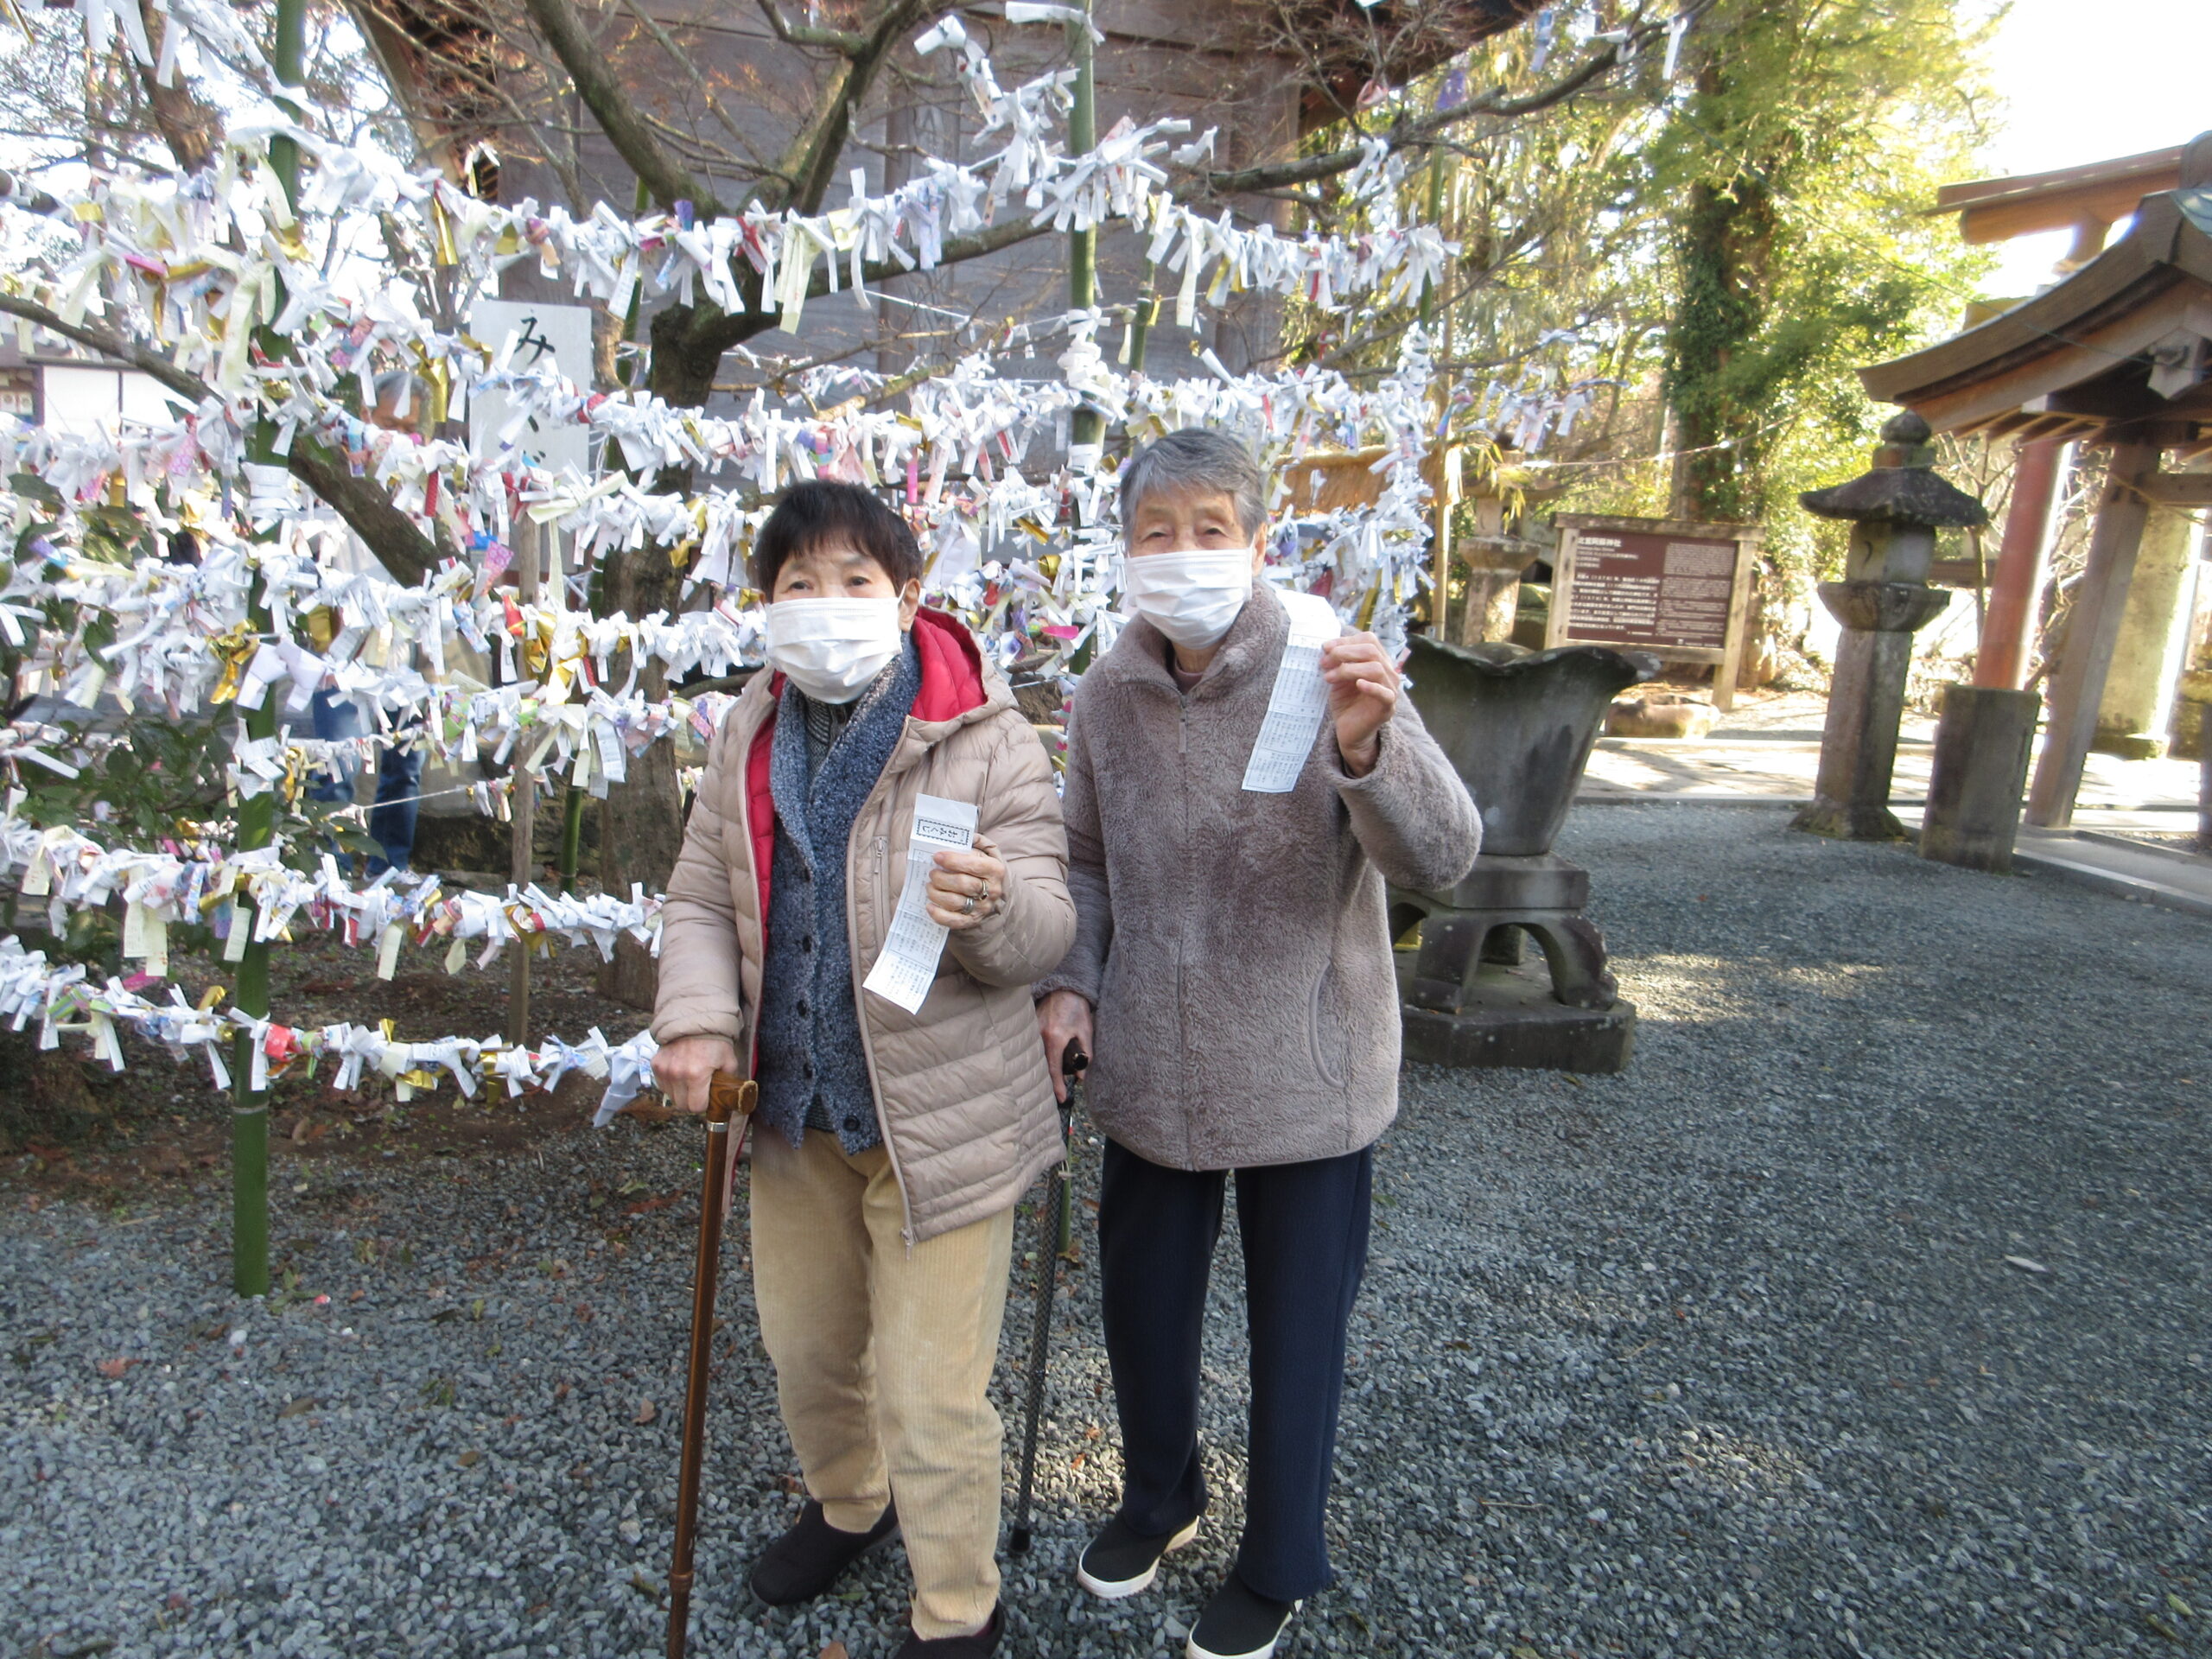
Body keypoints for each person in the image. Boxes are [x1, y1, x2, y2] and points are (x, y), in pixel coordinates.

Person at [1033, 429, 1482, 1659]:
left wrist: (1370, 746)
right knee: (1143, 1307)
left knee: (1298, 1329)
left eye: (1210, 529)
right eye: (1156, 531)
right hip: (1149, 1063)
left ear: (1258, 542)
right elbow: (1084, 860)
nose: (1182, 553)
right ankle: (1159, 1496)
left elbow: (1445, 859)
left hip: (1307, 1063)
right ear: (1125, 550)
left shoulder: (1330, 664)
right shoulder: (1105, 693)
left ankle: (1280, 1554)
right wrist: (1071, 986)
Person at [652, 479, 1076, 1657]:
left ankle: (958, 1610)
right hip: (792, 1111)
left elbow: (1047, 928)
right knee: (807, 1354)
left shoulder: (985, 734)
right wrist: (699, 1022)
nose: (826, 602)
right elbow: (701, 895)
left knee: (933, 1394)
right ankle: (851, 1501)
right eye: (800, 583)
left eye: (855, 580)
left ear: (907, 595)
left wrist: (993, 908)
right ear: (767, 603)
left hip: (944, 1121)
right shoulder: (748, 728)